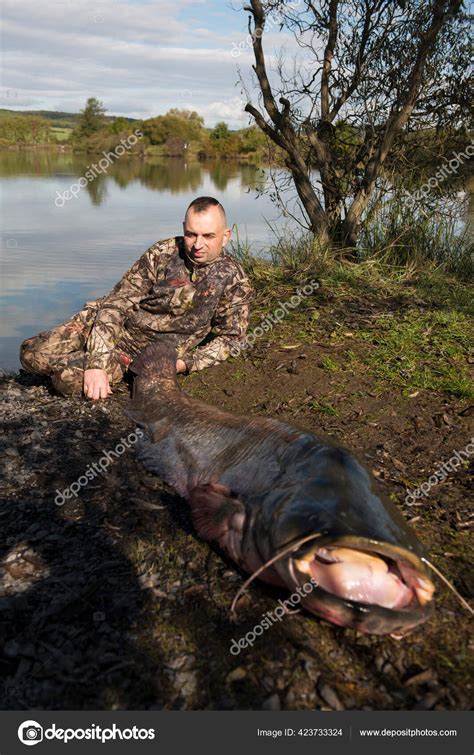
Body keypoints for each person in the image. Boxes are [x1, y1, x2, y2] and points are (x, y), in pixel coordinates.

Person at [20, 196, 254, 400]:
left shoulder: (235, 281)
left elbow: (232, 340)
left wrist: (183, 364)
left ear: (225, 236)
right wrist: (96, 363)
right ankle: (84, 352)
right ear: (183, 228)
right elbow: (116, 304)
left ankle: (74, 362)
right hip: (104, 326)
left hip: (133, 355)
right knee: (29, 354)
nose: (198, 245)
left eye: (208, 236)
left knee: (66, 379)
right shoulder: (162, 253)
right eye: (191, 234)